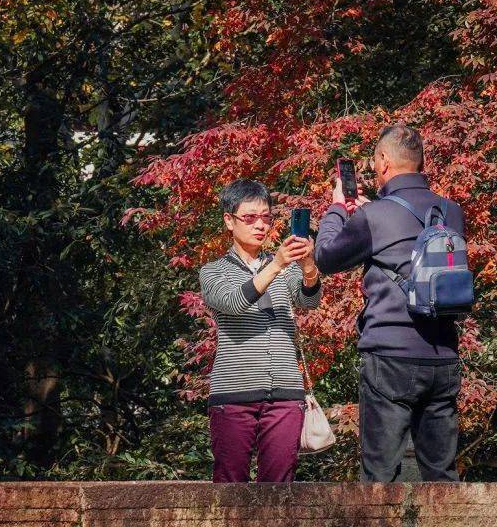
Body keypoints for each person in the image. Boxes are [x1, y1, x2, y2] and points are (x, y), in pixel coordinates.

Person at [314, 125, 465, 483]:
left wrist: (338, 207)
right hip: (444, 357)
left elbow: (325, 257)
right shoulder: (452, 211)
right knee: (442, 475)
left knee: (379, 476)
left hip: (390, 357)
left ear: (383, 161)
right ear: (421, 161)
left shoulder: (375, 216)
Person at [199, 178, 321, 483]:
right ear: (229, 220)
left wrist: (308, 265)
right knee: (230, 486)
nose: (260, 226)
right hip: (233, 393)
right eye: (250, 218)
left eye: (266, 218)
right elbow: (233, 302)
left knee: (280, 488)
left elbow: (310, 300)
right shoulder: (213, 271)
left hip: (285, 392)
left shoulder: (286, 267)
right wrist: (276, 265)